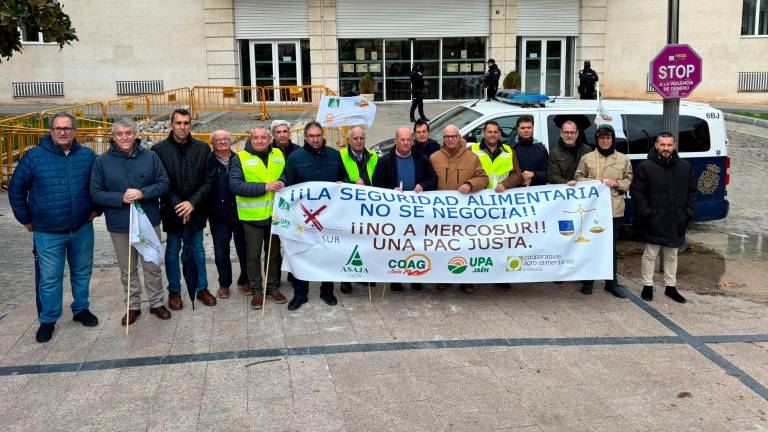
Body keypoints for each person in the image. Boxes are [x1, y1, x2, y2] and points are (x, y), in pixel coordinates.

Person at [8, 112, 99, 342]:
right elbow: (16, 189)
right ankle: (48, 320)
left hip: (81, 228)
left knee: (82, 271)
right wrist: (25, 218)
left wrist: (98, 209)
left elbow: (99, 185)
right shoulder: (35, 157)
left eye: (67, 128)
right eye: (58, 128)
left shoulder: (87, 156)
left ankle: (81, 309)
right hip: (47, 232)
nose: (62, 132)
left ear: (75, 131)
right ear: (51, 131)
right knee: (49, 278)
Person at [91, 118, 171, 325]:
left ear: (135, 135)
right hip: (120, 224)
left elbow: (163, 183)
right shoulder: (102, 161)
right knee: (128, 268)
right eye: (119, 134)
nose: (124, 137)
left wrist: (143, 193)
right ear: (113, 136)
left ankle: (156, 303)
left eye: (128, 133)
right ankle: (132, 306)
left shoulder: (151, 157)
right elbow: (96, 193)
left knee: (151, 264)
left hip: (148, 221)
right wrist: (120, 198)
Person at [151, 108, 217, 309]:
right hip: (172, 211)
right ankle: (175, 291)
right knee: (172, 251)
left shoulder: (202, 149)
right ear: (171, 124)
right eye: (178, 123)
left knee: (197, 249)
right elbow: (161, 182)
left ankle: (201, 288)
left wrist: (192, 203)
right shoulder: (158, 150)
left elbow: (209, 180)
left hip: (196, 210)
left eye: (186, 123)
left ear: (191, 125)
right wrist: (179, 205)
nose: (182, 127)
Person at [282, 121, 347, 310]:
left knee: (328, 253)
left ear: (323, 134)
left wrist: (347, 183)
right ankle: (300, 293)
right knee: (301, 254)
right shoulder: (295, 158)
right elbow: (289, 184)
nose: (315, 139)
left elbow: (343, 179)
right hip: (303, 218)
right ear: (305, 137)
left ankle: (327, 291)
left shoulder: (335, 155)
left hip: (329, 216)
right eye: (311, 136)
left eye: (318, 135)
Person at [631, 133, 696, 304]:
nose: (665, 148)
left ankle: (671, 286)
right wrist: (647, 213)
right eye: (662, 144)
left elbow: (692, 192)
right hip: (653, 219)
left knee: (672, 254)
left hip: (677, 218)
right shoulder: (645, 167)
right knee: (650, 253)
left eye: (669, 145)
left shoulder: (685, 167)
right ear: (656, 145)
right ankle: (647, 285)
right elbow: (637, 193)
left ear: (674, 146)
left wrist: (687, 212)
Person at [570, 124, 633, 298]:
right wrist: (592, 181)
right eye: (601, 138)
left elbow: (629, 181)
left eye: (608, 138)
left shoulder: (623, 159)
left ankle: (611, 283)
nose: (605, 141)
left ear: (612, 139)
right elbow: (578, 178)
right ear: (597, 140)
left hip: (614, 210)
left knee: (610, 248)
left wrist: (616, 183)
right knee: (590, 245)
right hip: (592, 211)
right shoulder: (588, 158)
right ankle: (588, 280)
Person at [373, 127, 438, 292]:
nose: (406, 143)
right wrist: (390, 191)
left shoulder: (421, 159)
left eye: (409, 139)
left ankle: (415, 277)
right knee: (397, 245)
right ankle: (397, 278)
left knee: (415, 244)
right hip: (395, 214)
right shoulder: (385, 161)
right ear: (396, 140)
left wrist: (423, 185)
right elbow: (377, 184)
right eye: (402, 140)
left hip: (416, 213)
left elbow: (433, 179)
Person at [229, 127, 288, 309]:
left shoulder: (278, 153)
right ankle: (256, 291)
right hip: (252, 217)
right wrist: (265, 187)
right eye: (256, 138)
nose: (260, 141)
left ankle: (272, 287)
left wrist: (284, 181)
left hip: (275, 216)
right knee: (253, 256)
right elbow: (236, 186)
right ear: (251, 139)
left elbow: (286, 173)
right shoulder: (241, 157)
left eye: (264, 138)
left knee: (274, 254)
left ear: (270, 139)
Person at [430, 124, 488, 293]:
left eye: (453, 136)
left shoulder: (472, 157)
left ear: (459, 137)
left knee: (465, 246)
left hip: (464, 215)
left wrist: (470, 185)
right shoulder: (434, 158)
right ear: (443, 138)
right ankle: (444, 278)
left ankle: (466, 280)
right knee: (443, 247)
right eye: (447, 137)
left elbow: (483, 178)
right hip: (441, 214)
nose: (450, 140)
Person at [548, 120, 595, 293]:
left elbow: (594, 173)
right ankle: (564, 272)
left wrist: (583, 184)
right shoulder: (555, 153)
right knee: (565, 237)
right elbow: (552, 175)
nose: (569, 135)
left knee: (585, 239)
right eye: (566, 132)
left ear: (577, 134)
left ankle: (586, 279)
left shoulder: (587, 151)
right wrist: (568, 184)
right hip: (565, 204)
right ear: (561, 133)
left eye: (572, 132)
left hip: (586, 204)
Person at [208, 130, 250, 299]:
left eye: (226, 138)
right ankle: (224, 283)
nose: (223, 142)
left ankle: (245, 279)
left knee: (244, 249)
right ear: (212, 143)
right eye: (218, 140)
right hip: (218, 213)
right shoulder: (207, 161)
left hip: (240, 212)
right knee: (220, 251)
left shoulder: (239, 159)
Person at [339, 125, 379, 294]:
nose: (358, 141)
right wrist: (351, 184)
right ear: (350, 139)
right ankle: (345, 279)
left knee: (367, 243)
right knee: (347, 244)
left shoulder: (374, 156)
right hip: (348, 208)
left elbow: (378, 178)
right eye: (355, 138)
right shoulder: (340, 156)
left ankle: (365, 275)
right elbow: (336, 180)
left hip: (369, 208)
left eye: (361, 138)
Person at [469, 120, 524, 192]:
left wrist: (505, 185)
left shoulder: (509, 151)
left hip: (502, 196)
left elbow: (517, 174)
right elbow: (465, 174)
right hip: (480, 195)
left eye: (495, 132)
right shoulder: (472, 150)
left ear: (499, 134)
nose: (492, 134)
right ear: (483, 133)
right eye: (489, 132)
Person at [510, 115, 548, 186]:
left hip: (537, 192)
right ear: (518, 129)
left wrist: (533, 174)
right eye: (523, 128)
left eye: (529, 128)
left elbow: (548, 174)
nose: (526, 130)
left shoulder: (541, 148)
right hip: (515, 192)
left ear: (533, 128)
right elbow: (506, 174)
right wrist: (520, 180)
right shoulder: (510, 148)